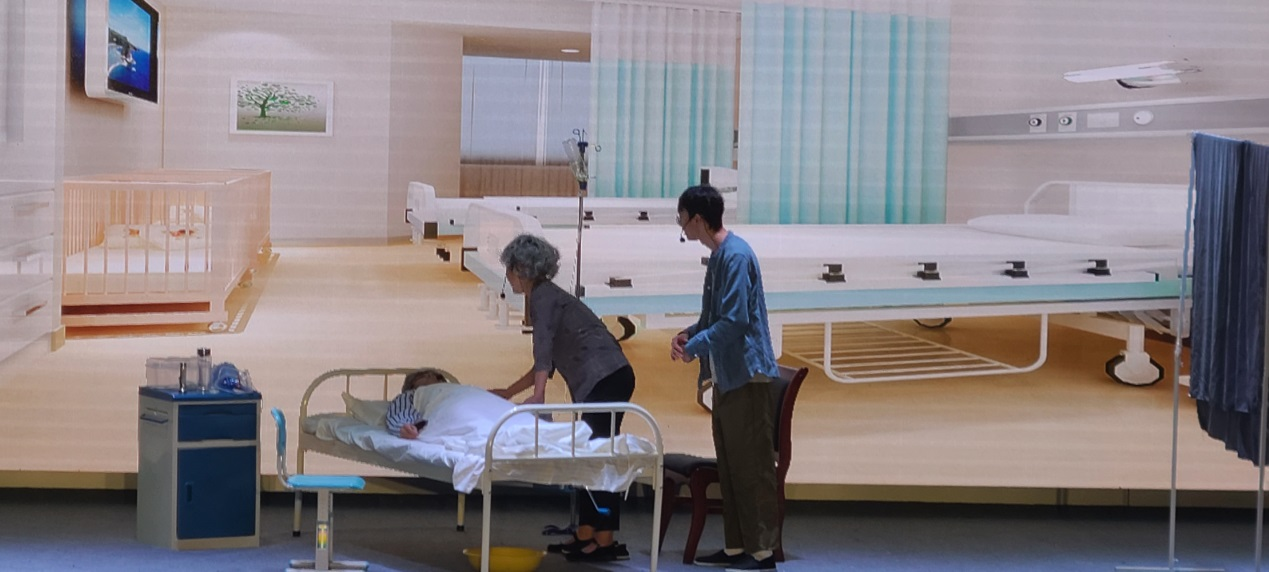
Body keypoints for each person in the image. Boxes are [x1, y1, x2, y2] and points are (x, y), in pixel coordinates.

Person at [490, 233, 636, 563]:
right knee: (589, 454)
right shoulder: (549, 295)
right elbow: (545, 362)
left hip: (605, 378)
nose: (508, 277)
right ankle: (587, 533)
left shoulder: (542, 298)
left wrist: (539, 395)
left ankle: (604, 539)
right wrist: (509, 392)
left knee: (596, 456)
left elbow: (542, 351)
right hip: (607, 378)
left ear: (520, 269)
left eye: (509, 270)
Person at [670, 185, 782, 572]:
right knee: (732, 467)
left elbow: (735, 321)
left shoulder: (735, 256)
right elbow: (713, 318)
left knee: (752, 468)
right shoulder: (720, 256)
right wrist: (688, 334)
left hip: (747, 376)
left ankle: (762, 552)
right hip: (729, 377)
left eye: (682, 218)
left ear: (698, 219)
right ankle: (737, 547)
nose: (681, 226)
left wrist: (695, 347)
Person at [385, 369, 448, 439]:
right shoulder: (412, 394)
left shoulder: (452, 393)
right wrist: (407, 428)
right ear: (412, 384)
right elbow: (404, 411)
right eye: (423, 375)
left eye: (437, 377)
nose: (430, 376)